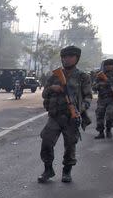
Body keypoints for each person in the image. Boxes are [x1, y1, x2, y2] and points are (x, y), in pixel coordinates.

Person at [38, 45, 92, 184]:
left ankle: (67, 171)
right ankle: (48, 169)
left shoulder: (82, 76)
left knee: (70, 145)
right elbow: (44, 94)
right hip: (55, 116)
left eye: (70, 57)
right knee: (46, 142)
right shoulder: (55, 75)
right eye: (64, 57)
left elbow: (88, 96)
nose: (66, 59)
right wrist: (52, 88)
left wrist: (80, 109)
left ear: (76, 58)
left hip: (71, 117)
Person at [94, 59, 113, 139]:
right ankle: (101, 132)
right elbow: (94, 87)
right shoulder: (99, 75)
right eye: (107, 65)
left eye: (110, 65)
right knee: (99, 116)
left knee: (110, 115)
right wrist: (101, 84)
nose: (108, 66)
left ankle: (108, 130)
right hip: (101, 99)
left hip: (112, 99)